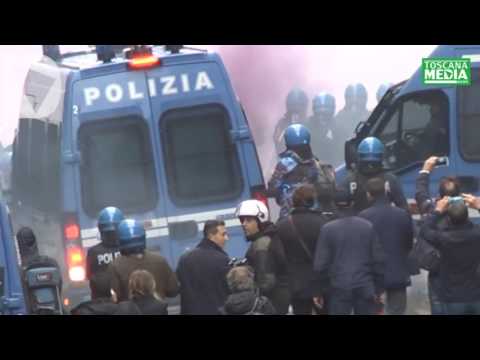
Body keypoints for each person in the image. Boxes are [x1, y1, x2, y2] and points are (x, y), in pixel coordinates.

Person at [313, 194, 385, 315]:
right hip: (365, 284)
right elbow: (378, 259)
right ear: (352, 204)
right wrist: (379, 289)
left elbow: (320, 264)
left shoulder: (328, 229)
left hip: (338, 286)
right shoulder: (367, 226)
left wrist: (319, 290)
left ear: (334, 205)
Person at [276, 184, 338, 314]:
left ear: (294, 202)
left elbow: (280, 257)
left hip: (297, 284)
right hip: (322, 282)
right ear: (312, 201)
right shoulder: (323, 222)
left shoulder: (282, 226)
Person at [359, 177, 414, 315]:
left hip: (373, 275)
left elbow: (363, 248)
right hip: (398, 272)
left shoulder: (363, 217)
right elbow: (409, 242)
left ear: (369, 194)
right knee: (397, 311)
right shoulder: (402, 214)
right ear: (386, 190)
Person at [415, 156, 461, 315]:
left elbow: (421, 192)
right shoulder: (466, 220)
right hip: (467, 285)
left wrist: (426, 169)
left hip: (439, 282)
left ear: (440, 197)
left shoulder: (431, 213)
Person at [420, 197, 480, 315]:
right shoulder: (477, 235)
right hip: (476, 294)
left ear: (449, 218)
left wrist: (437, 210)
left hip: (452, 296)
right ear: (467, 216)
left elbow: (424, 230)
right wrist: (478, 206)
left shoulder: (443, 238)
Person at [268, 123, 336, 219]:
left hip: (290, 215)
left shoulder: (285, 163)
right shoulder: (316, 162)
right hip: (317, 214)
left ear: (287, 141)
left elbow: (273, 188)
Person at [236, 199, 290, 314]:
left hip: (273, 300)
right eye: (242, 220)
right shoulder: (268, 237)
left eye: (248, 220)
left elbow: (266, 281)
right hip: (280, 296)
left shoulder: (262, 243)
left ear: (260, 220)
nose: (244, 224)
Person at [109, 219, 179, 302]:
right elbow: (173, 291)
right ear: (143, 238)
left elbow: (115, 298)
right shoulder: (160, 260)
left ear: (120, 241)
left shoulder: (116, 266)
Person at [340, 136, 408, 214]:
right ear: (381, 156)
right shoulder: (390, 179)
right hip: (383, 223)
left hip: (359, 224)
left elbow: (340, 211)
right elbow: (404, 209)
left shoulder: (351, 180)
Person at [176, 220, 231, 315]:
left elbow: (179, 286)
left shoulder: (184, 259)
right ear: (211, 235)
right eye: (223, 234)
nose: (227, 238)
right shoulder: (222, 259)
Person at [16, 227, 63, 314]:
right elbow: (59, 289)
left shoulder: (18, 271)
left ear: (19, 245)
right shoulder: (52, 263)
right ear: (35, 241)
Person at [86, 206, 124, 299]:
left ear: (100, 228)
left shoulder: (93, 252)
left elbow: (88, 276)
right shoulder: (127, 249)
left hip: (101, 303)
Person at [306, 92, 340, 166]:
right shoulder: (307, 126)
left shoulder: (338, 127)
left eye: (325, 114)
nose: (322, 117)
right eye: (319, 114)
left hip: (334, 167)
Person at [273, 88, 309, 154]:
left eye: (300, 105)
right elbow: (278, 142)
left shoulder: (311, 123)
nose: (296, 108)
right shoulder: (282, 124)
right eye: (293, 105)